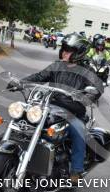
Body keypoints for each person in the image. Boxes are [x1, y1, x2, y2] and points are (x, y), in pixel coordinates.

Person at [8, 33, 104, 184]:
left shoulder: (87, 71)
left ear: (78, 53)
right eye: (64, 49)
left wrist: (87, 96)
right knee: (24, 121)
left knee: (79, 130)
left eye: (68, 50)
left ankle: (76, 171)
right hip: (49, 107)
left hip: (72, 112)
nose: (64, 52)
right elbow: (39, 76)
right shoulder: (56, 66)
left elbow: (97, 88)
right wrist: (20, 82)